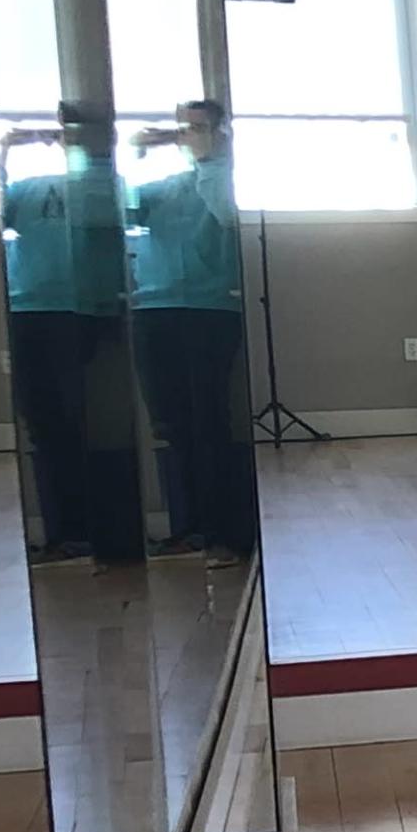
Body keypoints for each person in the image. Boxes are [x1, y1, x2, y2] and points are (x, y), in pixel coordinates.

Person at [0, 108, 142, 566]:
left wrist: (80, 149)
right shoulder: (27, 188)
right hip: (26, 310)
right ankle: (59, 533)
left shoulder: (108, 184)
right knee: (42, 424)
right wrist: (2, 151)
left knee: (76, 420)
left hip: (79, 312)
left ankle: (88, 530)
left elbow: (102, 216)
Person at [127, 99, 259, 559]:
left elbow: (226, 214)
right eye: (183, 128)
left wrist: (208, 160)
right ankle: (187, 528)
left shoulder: (224, 179)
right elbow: (116, 215)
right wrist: (133, 154)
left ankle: (228, 534)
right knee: (169, 423)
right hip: (153, 310)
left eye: (199, 128)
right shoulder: (162, 188)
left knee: (209, 421)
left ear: (221, 133)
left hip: (210, 311)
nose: (188, 135)